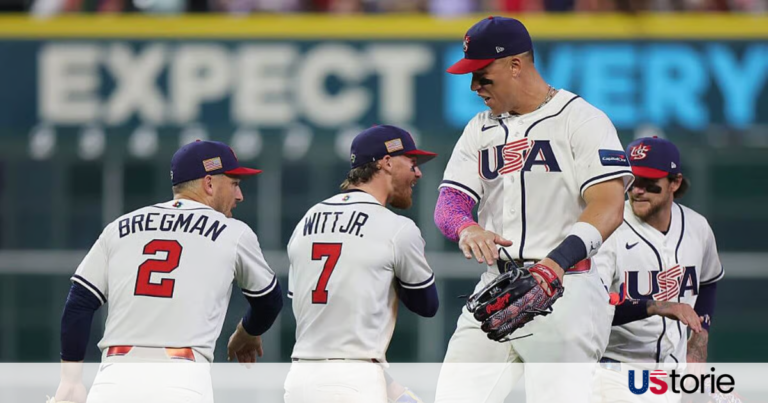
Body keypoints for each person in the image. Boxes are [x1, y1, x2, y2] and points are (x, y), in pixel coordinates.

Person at [433, 16, 634, 403]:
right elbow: (450, 201)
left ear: (515, 65)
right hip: (498, 286)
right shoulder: (479, 129)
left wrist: (553, 265)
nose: (474, 86)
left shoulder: (581, 119)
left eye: (482, 75)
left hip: (568, 286)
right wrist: (465, 228)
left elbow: (609, 206)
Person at [50, 140, 283, 403]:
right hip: (181, 379)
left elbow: (79, 303)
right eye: (234, 184)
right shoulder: (233, 232)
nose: (239, 196)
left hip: (115, 379)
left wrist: (70, 380)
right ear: (208, 183)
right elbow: (269, 302)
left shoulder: (120, 227)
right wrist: (247, 332)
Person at [284, 125, 439, 403]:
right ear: (387, 162)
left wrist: (391, 388)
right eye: (412, 163)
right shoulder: (397, 228)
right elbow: (427, 305)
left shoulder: (307, 220)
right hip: (354, 380)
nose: (418, 173)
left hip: (299, 378)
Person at [593, 137, 723, 403]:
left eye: (648, 181)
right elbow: (591, 310)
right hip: (613, 369)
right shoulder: (607, 231)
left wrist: (700, 339)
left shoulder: (697, 227)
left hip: (669, 375)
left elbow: (709, 281)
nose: (637, 190)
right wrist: (657, 306)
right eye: (631, 181)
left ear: (674, 182)